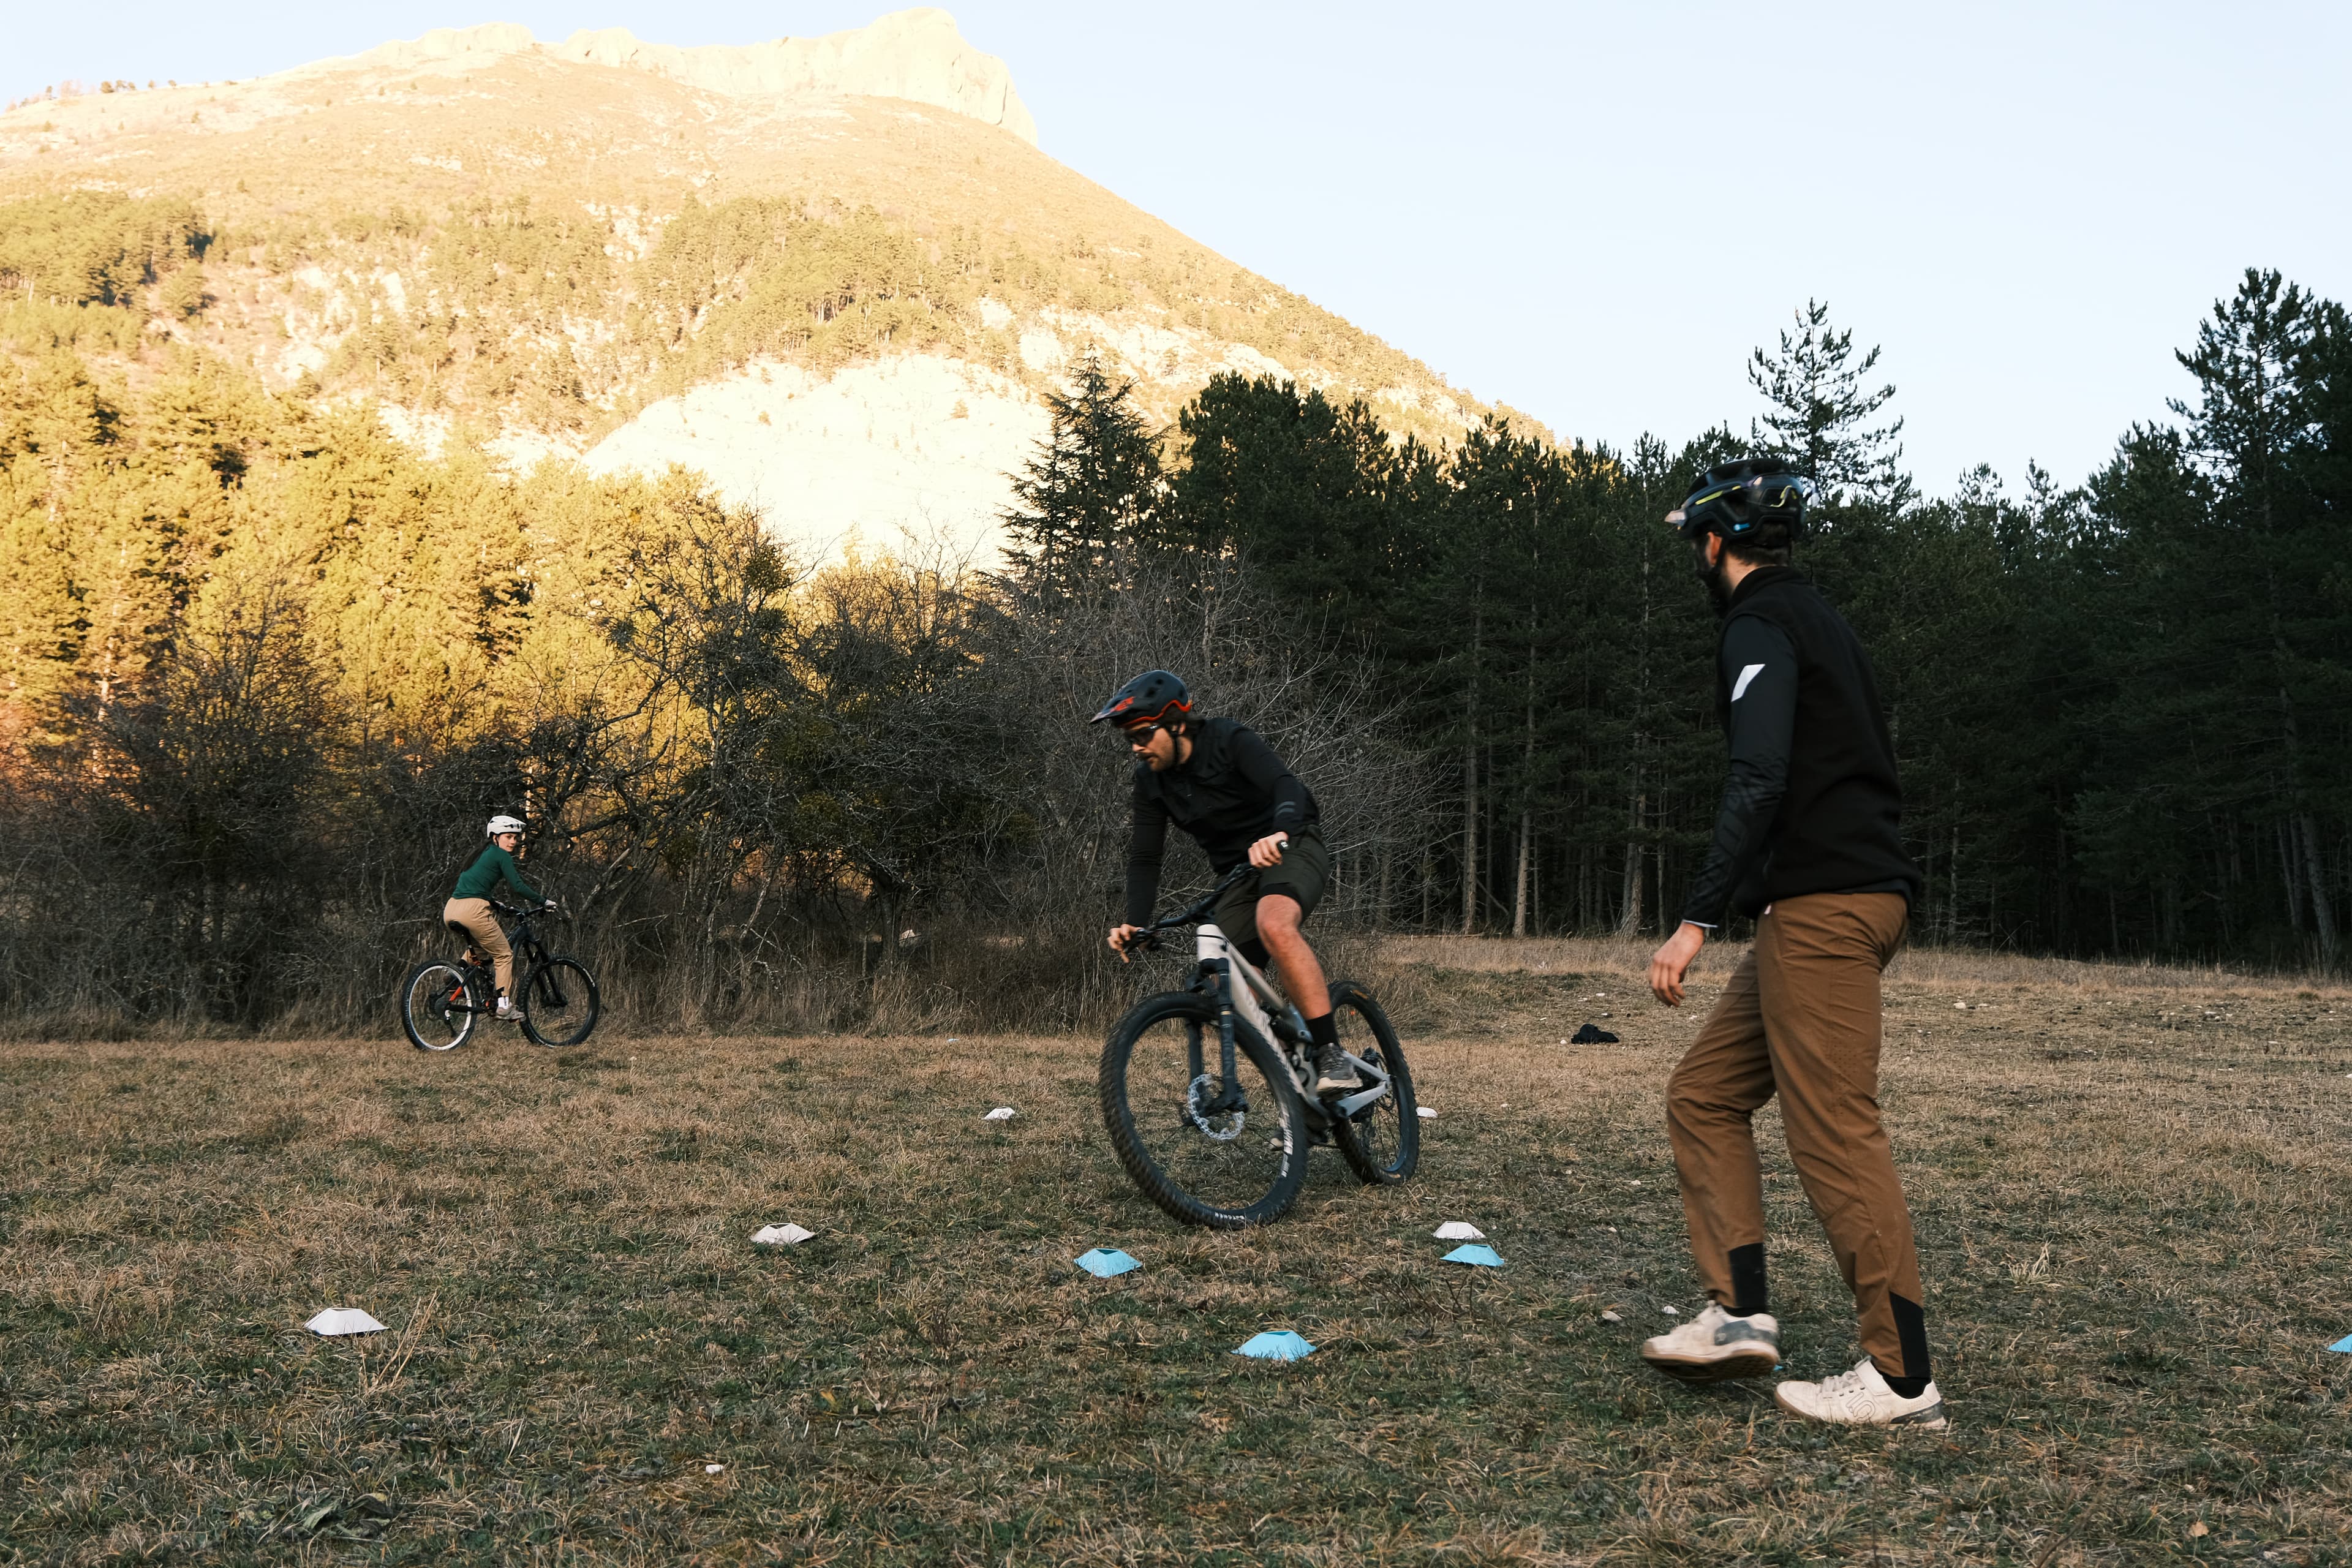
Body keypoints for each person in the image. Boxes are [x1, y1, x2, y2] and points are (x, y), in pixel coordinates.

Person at [1637, 459, 1944, 1430]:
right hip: (1827, 902)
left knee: (1834, 1130)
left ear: (1715, 544)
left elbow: (1760, 775)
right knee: (1705, 1095)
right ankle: (1736, 1315)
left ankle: (1901, 1379)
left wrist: (1696, 919)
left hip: (1826, 904)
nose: (1698, 555)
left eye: (1697, 541)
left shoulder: (1757, 623)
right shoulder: (1822, 620)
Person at [1092, 669, 1357, 1096]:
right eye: (1130, 741)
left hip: (1293, 844)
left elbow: (1286, 785)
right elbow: (1145, 856)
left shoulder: (1228, 741)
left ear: (1176, 723)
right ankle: (1295, 1085)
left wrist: (1280, 831)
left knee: (1274, 924)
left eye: (1143, 734)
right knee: (1221, 982)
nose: (1138, 748)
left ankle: (1331, 1054)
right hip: (1237, 874)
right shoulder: (1150, 781)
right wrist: (1137, 923)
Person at [445, 814, 554, 1022]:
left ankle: (455, 975)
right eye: (509, 837)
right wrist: (543, 901)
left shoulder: (480, 855)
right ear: (495, 837)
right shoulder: (501, 855)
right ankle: (504, 1006)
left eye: (515, 838)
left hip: (452, 909)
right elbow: (518, 886)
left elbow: (474, 887)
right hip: (474, 911)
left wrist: (497, 905)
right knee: (504, 955)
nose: (513, 841)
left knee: (482, 950)